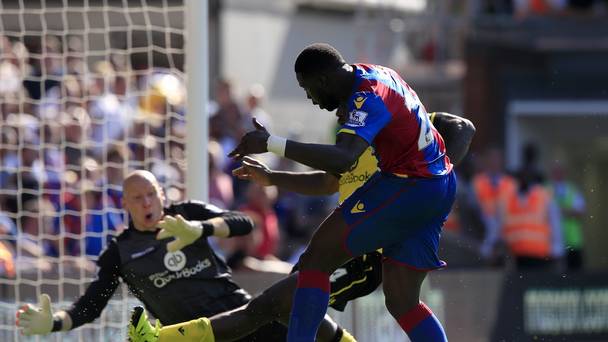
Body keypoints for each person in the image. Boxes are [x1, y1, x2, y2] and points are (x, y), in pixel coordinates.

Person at [127, 106, 474, 342]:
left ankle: (159, 338)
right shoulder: (361, 143)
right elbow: (326, 182)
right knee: (286, 309)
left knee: (267, 308)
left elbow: (464, 129)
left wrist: (431, 159)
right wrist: (271, 178)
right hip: (347, 246)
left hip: (365, 254)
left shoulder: (406, 144)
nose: (337, 113)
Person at [227, 43, 459, 342]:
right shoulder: (377, 76)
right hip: (438, 185)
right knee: (403, 301)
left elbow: (343, 158)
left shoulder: (366, 100)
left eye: (307, 89)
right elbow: (329, 180)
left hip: (410, 185)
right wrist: (272, 178)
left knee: (315, 259)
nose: (309, 99)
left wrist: (271, 143)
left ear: (322, 80)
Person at [15, 170, 294, 341]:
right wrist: (53, 323)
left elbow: (243, 222)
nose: (147, 202)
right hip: (191, 338)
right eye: (137, 197)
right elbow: (90, 306)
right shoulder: (119, 253)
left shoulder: (187, 214)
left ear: (162, 194)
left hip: (240, 320)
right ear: (124, 204)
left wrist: (200, 229)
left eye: (151, 193)